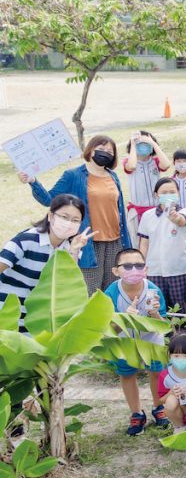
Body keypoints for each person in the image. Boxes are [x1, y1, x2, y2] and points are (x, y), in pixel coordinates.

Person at [22, 134, 132, 292]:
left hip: (115, 242)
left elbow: (118, 210)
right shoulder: (73, 175)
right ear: (91, 150)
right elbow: (49, 200)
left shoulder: (113, 176)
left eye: (110, 151)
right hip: (89, 244)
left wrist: (126, 245)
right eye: (101, 149)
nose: (106, 153)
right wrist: (33, 182)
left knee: (112, 292)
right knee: (89, 292)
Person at [103, 248, 169, 435]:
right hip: (124, 342)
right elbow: (109, 329)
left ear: (146, 268)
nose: (134, 269)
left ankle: (159, 408)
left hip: (151, 341)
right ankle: (136, 413)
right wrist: (124, 319)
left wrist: (155, 314)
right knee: (127, 374)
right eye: (128, 266)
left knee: (156, 372)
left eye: (139, 265)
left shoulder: (153, 291)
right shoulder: (112, 293)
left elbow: (162, 326)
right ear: (116, 270)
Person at [0, 195, 90, 331]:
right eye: (64, 217)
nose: (69, 223)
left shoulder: (72, 248)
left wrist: (74, 252)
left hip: (38, 322)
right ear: (50, 216)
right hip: (7, 316)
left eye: (75, 220)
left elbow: (67, 285)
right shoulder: (26, 240)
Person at [137, 178, 186, 311]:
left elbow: (181, 221)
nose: (168, 195)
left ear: (178, 193)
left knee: (181, 308)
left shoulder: (184, 212)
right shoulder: (147, 216)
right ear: (156, 195)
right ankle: (159, 332)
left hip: (178, 270)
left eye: (172, 192)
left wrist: (175, 217)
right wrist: (141, 265)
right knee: (155, 307)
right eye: (164, 192)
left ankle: (182, 332)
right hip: (153, 271)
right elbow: (144, 243)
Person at [122, 130, 171, 245]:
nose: (143, 146)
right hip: (138, 210)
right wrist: (133, 144)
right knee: (140, 243)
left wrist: (153, 143)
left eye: (146, 143)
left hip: (157, 208)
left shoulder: (156, 162)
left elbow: (166, 164)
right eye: (140, 144)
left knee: (158, 241)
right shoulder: (128, 162)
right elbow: (132, 166)